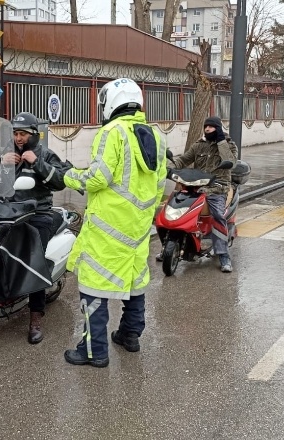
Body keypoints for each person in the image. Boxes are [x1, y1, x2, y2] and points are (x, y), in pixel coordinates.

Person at [61, 78, 168, 367]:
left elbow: (98, 177)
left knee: (94, 287)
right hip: (137, 229)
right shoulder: (157, 136)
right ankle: (130, 336)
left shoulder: (112, 132)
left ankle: (93, 352)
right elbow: (159, 185)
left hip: (108, 230)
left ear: (111, 102)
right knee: (134, 284)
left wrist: (67, 176)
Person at [2, 112, 67, 344]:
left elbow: (60, 181)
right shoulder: (8, 156)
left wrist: (35, 162)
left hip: (38, 215)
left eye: (23, 134)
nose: (19, 139)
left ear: (34, 135)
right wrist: (3, 165)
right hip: (11, 213)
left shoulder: (45, 154)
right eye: (15, 134)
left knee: (33, 260)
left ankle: (35, 317)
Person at [162, 116, 237, 272]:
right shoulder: (199, 145)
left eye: (211, 127)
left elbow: (231, 162)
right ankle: (168, 247)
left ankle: (223, 255)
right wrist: (169, 168)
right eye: (206, 127)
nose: (207, 129)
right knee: (174, 205)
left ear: (218, 129)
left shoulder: (228, 144)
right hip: (196, 185)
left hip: (217, 187)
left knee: (217, 214)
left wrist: (221, 141)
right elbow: (184, 160)